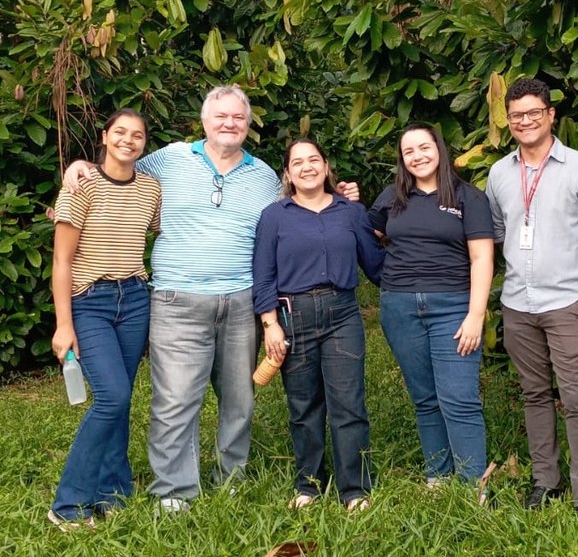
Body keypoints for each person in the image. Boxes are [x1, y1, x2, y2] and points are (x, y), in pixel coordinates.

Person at [63, 86, 359, 513]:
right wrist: (80, 166)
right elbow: (118, 164)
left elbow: (300, 210)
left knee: (239, 399)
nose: (229, 123)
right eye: (220, 116)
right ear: (204, 121)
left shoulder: (262, 177)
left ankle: (231, 477)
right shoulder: (169, 159)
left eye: (238, 117)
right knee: (175, 399)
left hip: (240, 301)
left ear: (248, 124)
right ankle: (174, 489)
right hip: (176, 298)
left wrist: (342, 197)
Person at [485, 78, 578, 517]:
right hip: (519, 303)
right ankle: (546, 482)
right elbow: (498, 235)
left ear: (551, 115)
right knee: (534, 394)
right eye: (516, 115)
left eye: (533, 113)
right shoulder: (500, 173)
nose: (524, 121)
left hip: (568, 304)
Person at [252, 138, 384, 511]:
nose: (307, 167)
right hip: (293, 316)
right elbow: (263, 275)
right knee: (304, 406)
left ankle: (354, 489)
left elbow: (376, 265)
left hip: (342, 313)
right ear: (288, 173)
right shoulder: (274, 216)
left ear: (326, 167)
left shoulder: (351, 212)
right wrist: (270, 324)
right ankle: (309, 485)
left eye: (314, 160)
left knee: (348, 404)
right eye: (298, 162)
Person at [49, 108, 161, 529]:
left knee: (122, 398)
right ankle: (69, 504)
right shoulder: (82, 185)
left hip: (133, 299)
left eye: (137, 135)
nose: (128, 140)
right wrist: (64, 324)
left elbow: (163, 229)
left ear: (144, 144)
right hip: (89, 301)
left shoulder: (151, 189)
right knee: (112, 398)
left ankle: (112, 491)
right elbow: (61, 260)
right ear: (105, 135)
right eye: (120, 132)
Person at [368, 123, 494, 487]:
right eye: (409, 152)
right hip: (400, 307)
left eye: (424, 147)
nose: (417, 156)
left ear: (439, 149)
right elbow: (370, 232)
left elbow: (482, 258)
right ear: (402, 159)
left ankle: (473, 485)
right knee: (425, 398)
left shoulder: (468, 197)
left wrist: (475, 315)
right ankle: (437, 478)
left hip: (453, 306)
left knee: (460, 398)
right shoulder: (392, 196)